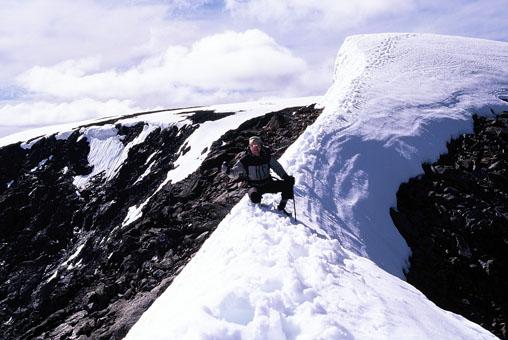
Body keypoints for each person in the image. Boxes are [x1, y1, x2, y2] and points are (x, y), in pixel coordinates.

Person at [222, 136, 295, 213]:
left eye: (258, 145)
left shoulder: (267, 157)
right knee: (254, 196)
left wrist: (286, 177)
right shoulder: (245, 160)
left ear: (261, 146)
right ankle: (260, 211)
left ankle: (281, 207)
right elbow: (233, 174)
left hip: (268, 183)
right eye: (253, 145)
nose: (255, 147)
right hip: (255, 186)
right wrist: (227, 171)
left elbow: (277, 167)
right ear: (249, 147)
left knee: (288, 185)